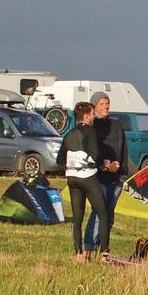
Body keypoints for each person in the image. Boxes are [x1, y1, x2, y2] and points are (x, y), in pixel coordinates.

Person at [61, 100, 109, 261]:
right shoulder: (90, 132)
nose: (94, 117)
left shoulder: (68, 134)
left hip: (72, 179)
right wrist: (104, 164)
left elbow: (60, 159)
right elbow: (95, 155)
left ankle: (78, 253)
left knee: (77, 218)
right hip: (87, 177)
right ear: (87, 116)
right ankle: (104, 253)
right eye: (93, 114)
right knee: (103, 213)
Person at [88, 91, 126, 249]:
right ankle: (89, 245)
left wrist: (122, 172)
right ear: (94, 106)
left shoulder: (116, 125)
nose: (105, 106)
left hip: (116, 178)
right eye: (102, 104)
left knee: (109, 214)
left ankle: (102, 246)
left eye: (107, 103)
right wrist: (104, 166)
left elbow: (123, 149)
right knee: (99, 211)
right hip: (98, 177)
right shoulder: (91, 126)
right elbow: (91, 151)